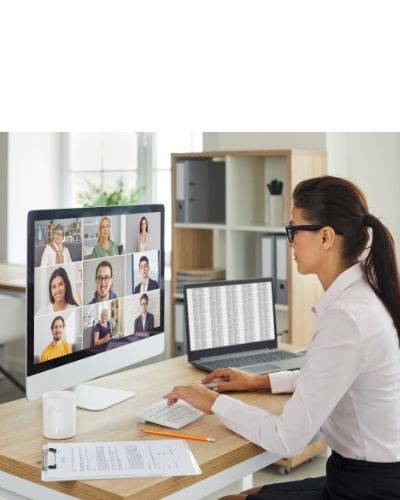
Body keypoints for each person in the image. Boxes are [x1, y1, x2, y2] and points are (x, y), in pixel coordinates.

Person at [165, 175, 400, 500]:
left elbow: (286, 438)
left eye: (293, 230)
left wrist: (213, 401)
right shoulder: (364, 293)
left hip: (367, 490)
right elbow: (331, 377)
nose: (289, 242)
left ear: (326, 237)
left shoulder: (345, 317)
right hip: (365, 477)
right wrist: (259, 382)